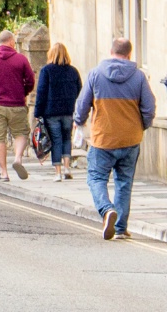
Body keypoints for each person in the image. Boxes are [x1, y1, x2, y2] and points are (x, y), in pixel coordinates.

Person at [74, 38, 156, 240]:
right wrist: (141, 126)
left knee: (96, 178)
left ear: (111, 51)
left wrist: (79, 122)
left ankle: (106, 209)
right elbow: (149, 108)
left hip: (103, 139)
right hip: (131, 139)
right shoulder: (138, 77)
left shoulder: (95, 74)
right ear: (129, 54)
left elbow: (82, 105)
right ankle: (120, 228)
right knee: (124, 182)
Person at [0, 29, 36, 181]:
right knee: (21, 133)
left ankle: (4, 173)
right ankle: (17, 158)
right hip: (17, 104)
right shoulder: (21, 60)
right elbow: (31, 81)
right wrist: (22, 92)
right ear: (12, 42)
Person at [33, 42, 83, 181]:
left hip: (51, 112)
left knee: (56, 140)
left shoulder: (46, 70)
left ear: (51, 54)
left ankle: (58, 173)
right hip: (68, 111)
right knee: (67, 139)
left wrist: (37, 113)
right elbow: (80, 91)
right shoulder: (73, 71)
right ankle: (67, 168)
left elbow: (41, 92)